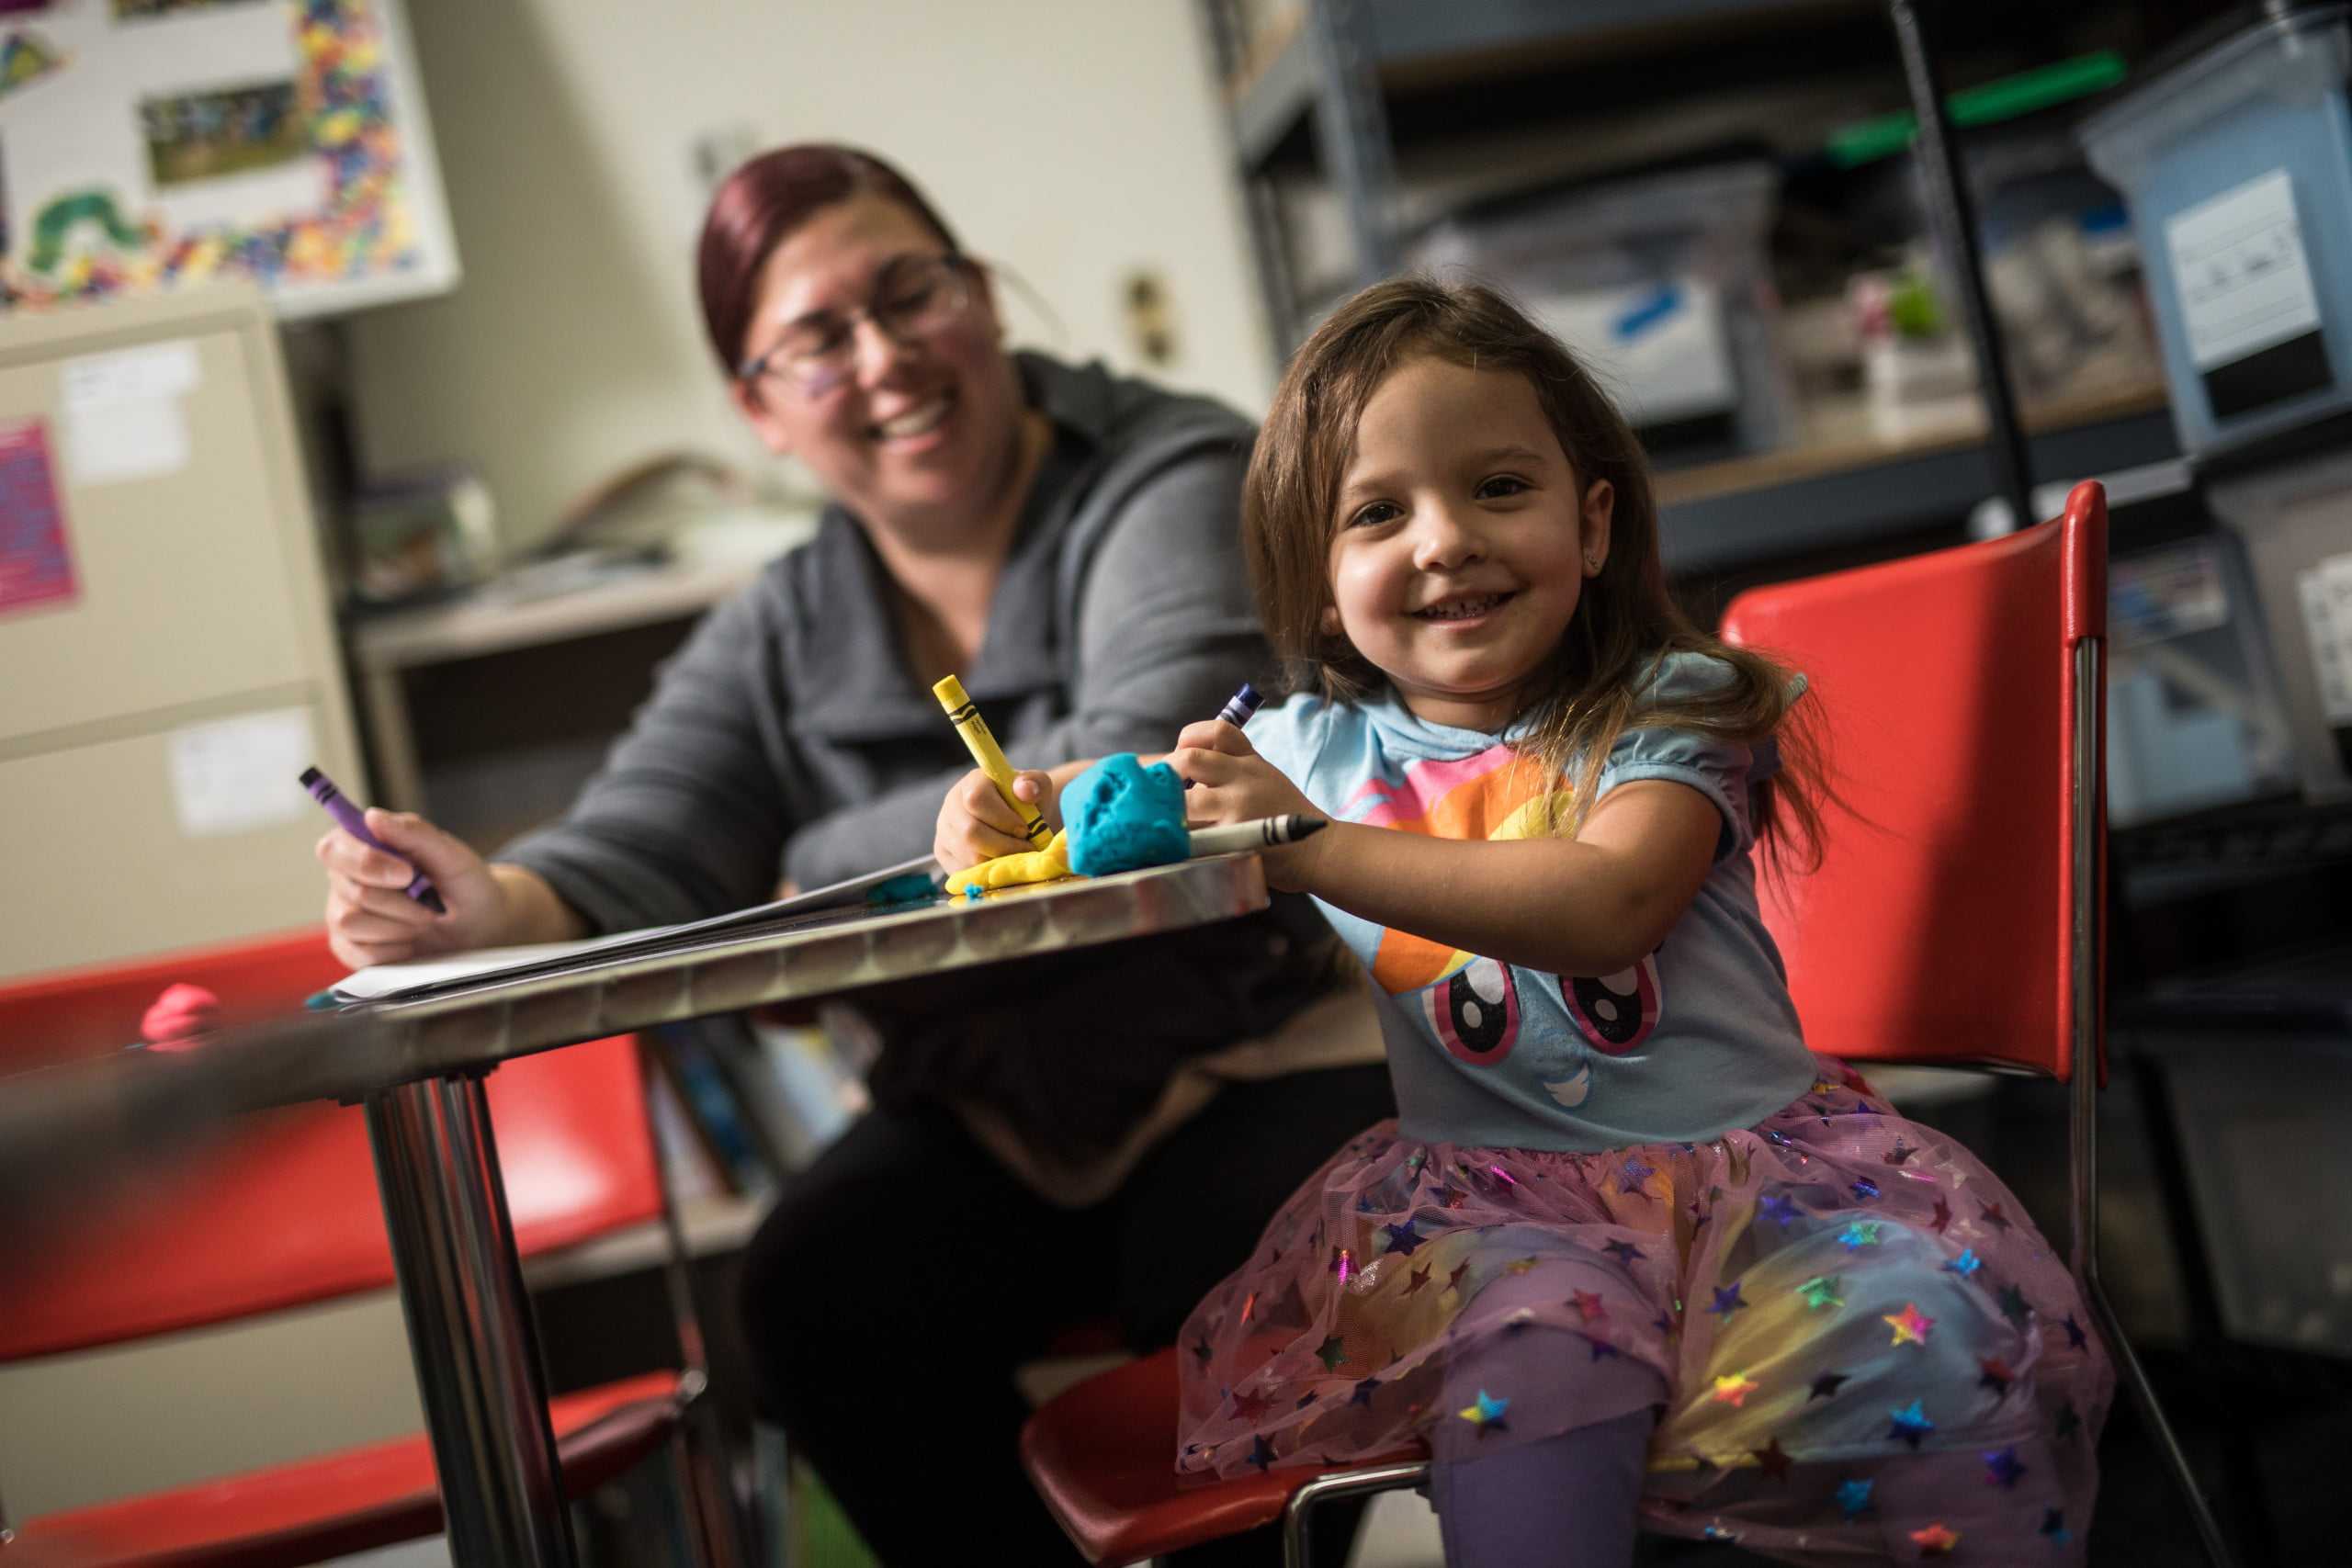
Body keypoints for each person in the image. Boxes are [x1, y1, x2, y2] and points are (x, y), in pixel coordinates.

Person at [314, 144, 1392, 1565]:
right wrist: (479, 906)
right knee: (814, 1296)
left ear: (986, 301)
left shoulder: (1173, 464)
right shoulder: (783, 622)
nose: (886, 359)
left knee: (1217, 1277)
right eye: (819, 340)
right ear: (758, 410)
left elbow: (1132, 766)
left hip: (1270, 1048)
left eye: (913, 294)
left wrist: (805, 857)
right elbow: (637, 845)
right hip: (1008, 1112)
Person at [938, 276, 2115, 1566]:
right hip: (1487, 1216)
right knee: (1532, 1353)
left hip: (1770, 1181)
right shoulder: (1304, 751)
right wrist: (1005, 808)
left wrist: (1309, 844)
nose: (1444, 539)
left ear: (1592, 523)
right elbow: (1108, 801)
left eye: (1499, 488)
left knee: (1920, 1329)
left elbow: (1608, 905)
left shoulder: (1671, 709)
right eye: (1379, 513)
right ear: (1323, 588)